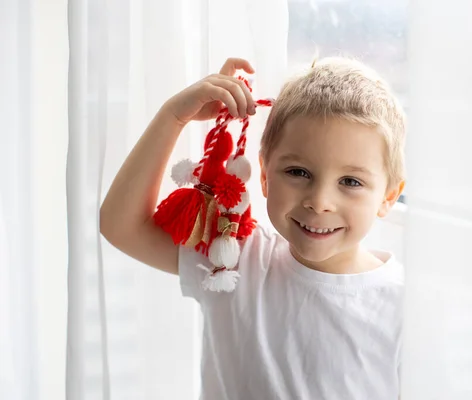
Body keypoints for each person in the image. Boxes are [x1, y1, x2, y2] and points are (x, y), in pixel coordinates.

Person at [100, 56, 406, 399]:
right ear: (263, 175)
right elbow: (122, 225)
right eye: (298, 172)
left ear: (388, 197)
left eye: (350, 181)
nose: (319, 201)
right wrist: (174, 117)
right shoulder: (231, 262)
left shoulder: (403, 308)